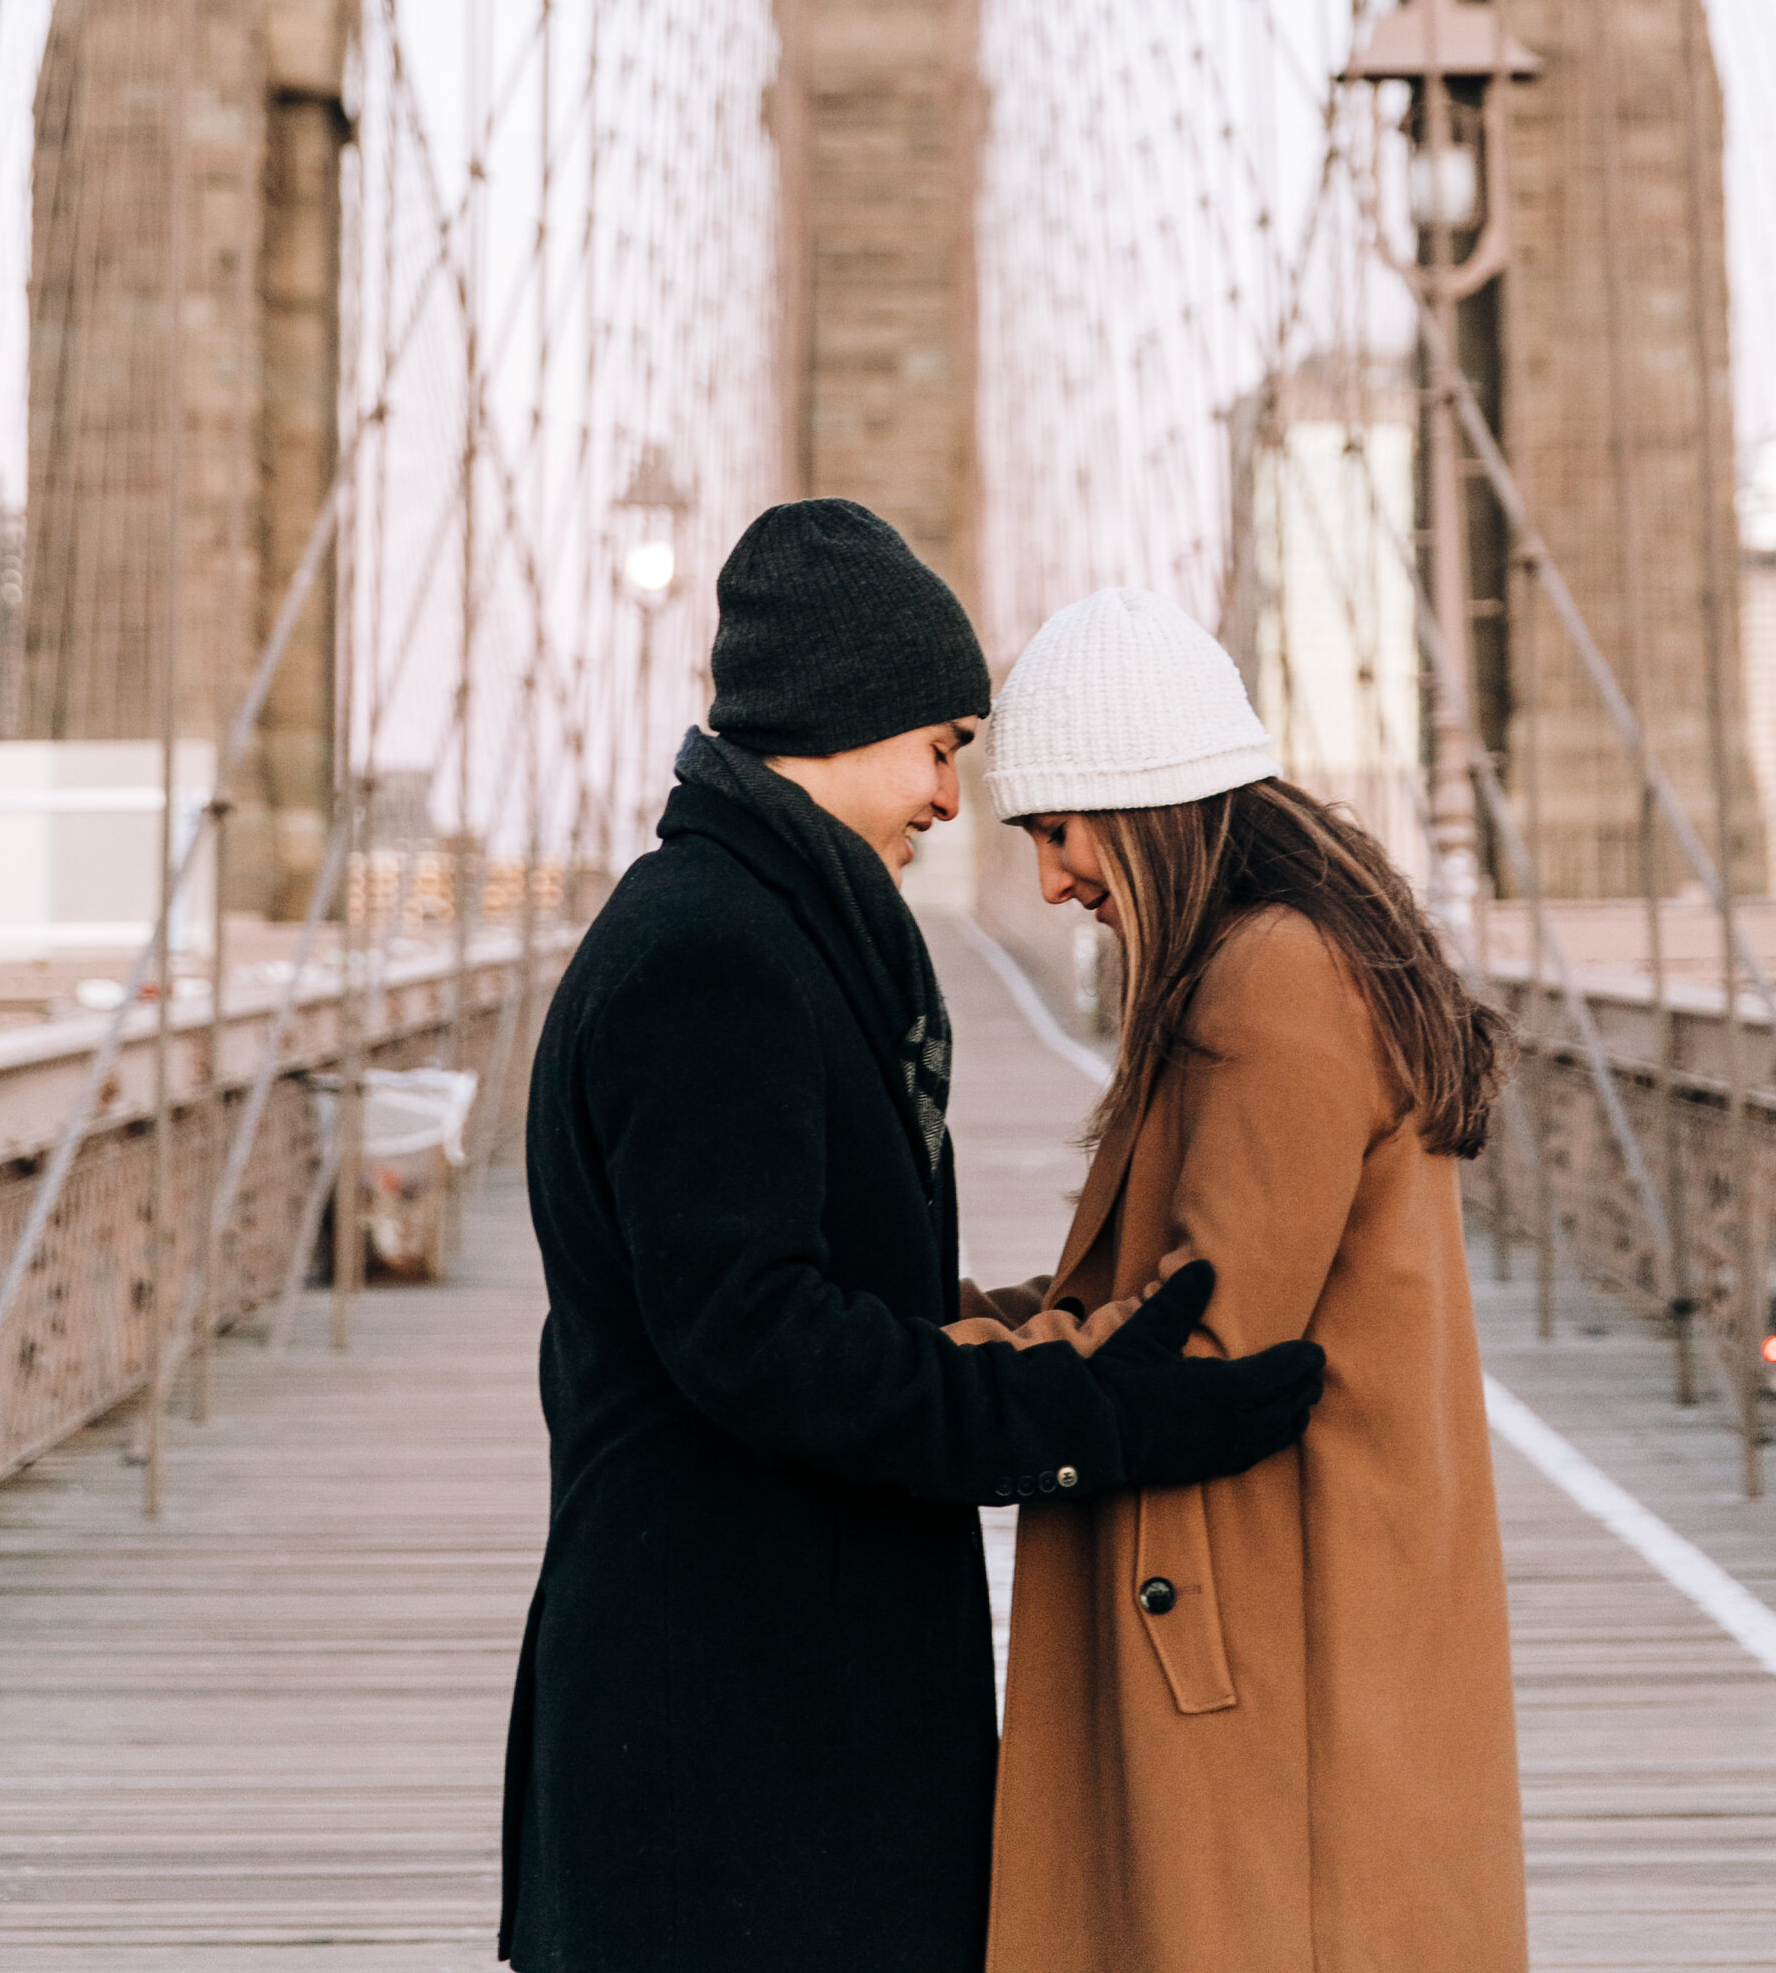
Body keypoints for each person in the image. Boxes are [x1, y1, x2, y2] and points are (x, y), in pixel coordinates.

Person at [498, 502, 1326, 1973]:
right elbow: (765, 1343)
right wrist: (1093, 1418)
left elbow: (817, 1293)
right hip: (729, 1756)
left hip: (781, 1725)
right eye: (941, 743)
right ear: (844, 714)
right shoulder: (710, 954)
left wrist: (1042, 1330)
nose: (954, 794)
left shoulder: (768, 930)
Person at [969, 583, 1527, 1973]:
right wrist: (978, 1319)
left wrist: (913, 1368)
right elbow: (1180, 1269)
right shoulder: (1283, 955)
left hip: (1272, 1630)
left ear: (1141, 799)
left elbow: (1200, 1338)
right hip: (1298, 1603)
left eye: (1058, 828)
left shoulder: (1269, 975)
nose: (1050, 880)